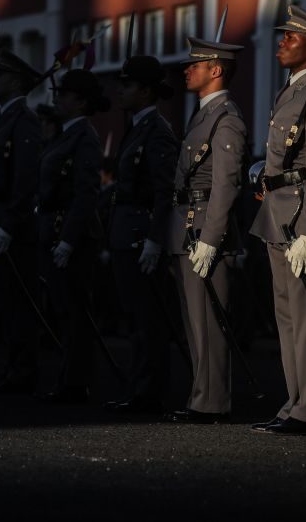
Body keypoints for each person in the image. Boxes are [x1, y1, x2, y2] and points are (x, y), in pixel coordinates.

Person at [249, 5, 306, 436]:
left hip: (300, 216)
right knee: (286, 316)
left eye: (291, 37)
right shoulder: (291, 91)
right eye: (283, 35)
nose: (281, 42)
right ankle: (295, 401)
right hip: (278, 212)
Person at [165, 36, 248, 424]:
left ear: (215, 71)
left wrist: (212, 240)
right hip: (187, 225)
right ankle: (202, 395)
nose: (187, 70)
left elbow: (226, 184)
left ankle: (212, 401)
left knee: (209, 323)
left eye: (194, 65)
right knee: (193, 321)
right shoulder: (202, 115)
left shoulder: (226, 118)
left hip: (205, 231)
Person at [104, 55, 178, 415]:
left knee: (148, 320)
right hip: (125, 232)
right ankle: (137, 387)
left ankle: (148, 392)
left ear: (146, 91)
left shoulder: (157, 131)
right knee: (133, 317)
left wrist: (155, 237)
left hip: (140, 233)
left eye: (128, 85)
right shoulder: (136, 127)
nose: (121, 90)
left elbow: (165, 191)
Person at [37, 69, 108, 403]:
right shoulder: (65, 134)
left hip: (74, 234)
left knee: (76, 312)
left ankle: (77, 380)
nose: (57, 98)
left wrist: (68, 239)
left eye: (64, 94)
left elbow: (85, 193)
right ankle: (69, 376)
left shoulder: (84, 136)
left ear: (81, 102)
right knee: (64, 309)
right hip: (57, 228)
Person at [0, 49, 44, 394]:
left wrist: (9, 222)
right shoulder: (3, 118)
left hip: (14, 225)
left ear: (16, 82)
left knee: (19, 302)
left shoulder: (23, 120)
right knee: (3, 300)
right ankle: (11, 366)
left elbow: (24, 178)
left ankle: (23, 369)